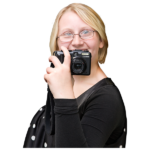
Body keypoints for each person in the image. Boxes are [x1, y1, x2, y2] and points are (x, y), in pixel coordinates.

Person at [22, 2, 127, 149]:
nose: (77, 42)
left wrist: (63, 93)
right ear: (57, 43)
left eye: (86, 32)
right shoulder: (62, 79)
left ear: (101, 40)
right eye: (67, 34)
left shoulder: (107, 99)